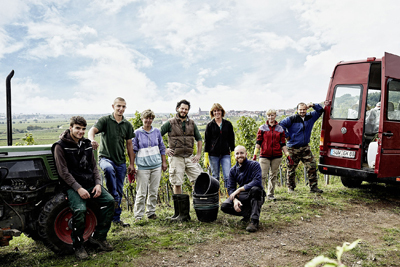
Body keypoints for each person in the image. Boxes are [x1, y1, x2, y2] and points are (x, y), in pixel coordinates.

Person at [52, 116, 114, 260]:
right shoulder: (60, 146)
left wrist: (98, 184)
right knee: (80, 210)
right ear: (71, 128)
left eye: (83, 129)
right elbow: (63, 172)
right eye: (77, 128)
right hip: (72, 186)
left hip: (90, 183)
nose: (81, 131)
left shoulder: (86, 144)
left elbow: (94, 167)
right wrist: (78, 188)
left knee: (110, 201)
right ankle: (78, 246)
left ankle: (99, 237)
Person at [88, 97, 135, 227]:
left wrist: (131, 164)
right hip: (105, 158)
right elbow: (92, 130)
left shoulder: (127, 124)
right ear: (113, 106)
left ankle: (116, 219)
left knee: (119, 191)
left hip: (120, 162)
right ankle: (109, 203)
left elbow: (130, 145)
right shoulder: (105, 120)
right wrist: (91, 140)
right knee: (108, 170)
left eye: (123, 106)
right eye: (118, 106)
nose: (121, 109)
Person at [160, 99, 202, 221]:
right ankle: (179, 213)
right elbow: (157, 136)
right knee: (176, 183)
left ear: (188, 110)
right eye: (182, 108)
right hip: (176, 157)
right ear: (177, 108)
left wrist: (198, 154)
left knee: (198, 180)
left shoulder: (192, 123)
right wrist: (165, 149)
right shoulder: (170, 123)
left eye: (186, 109)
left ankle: (198, 206)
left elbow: (199, 139)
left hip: (189, 157)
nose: (184, 111)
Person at [279, 101, 329, 193]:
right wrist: (286, 135)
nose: (302, 111)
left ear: (307, 109)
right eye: (300, 109)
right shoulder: (292, 119)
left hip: (305, 147)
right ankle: (291, 188)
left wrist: (313, 105)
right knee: (291, 168)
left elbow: (320, 110)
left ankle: (313, 187)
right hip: (293, 148)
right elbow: (280, 125)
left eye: (304, 109)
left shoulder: (310, 117)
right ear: (297, 110)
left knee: (312, 166)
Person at [132, 109, 167, 221]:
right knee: (141, 192)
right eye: (146, 118)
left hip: (156, 165)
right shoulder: (137, 133)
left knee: (153, 191)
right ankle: (138, 216)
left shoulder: (156, 132)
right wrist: (132, 165)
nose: (148, 120)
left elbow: (162, 147)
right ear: (142, 119)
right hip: (142, 166)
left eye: (151, 118)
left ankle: (151, 213)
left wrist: (164, 162)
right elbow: (133, 150)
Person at [221, 145, 265, 233]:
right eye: (237, 153)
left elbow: (257, 181)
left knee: (255, 189)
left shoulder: (254, 165)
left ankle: (254, 221)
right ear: (234, 156)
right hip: (243, 196)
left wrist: (240, 189)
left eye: (242, 153)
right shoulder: (233, 170)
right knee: (224, 206)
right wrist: (235, 200)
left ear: (246, 154)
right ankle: (247, 214)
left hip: (257, 194)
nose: (239, 155)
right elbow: (230, 188)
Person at [252, 109, 293, 200]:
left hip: (277, 156)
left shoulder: (280, 129)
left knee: (273, 175)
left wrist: (288, 156)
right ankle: (261, 194)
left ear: (275, 116)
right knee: (262, 175)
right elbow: (258, 142)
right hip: (264, 155)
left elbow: (283, 144)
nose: (271, 117)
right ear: (267, 116)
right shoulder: (262, 128)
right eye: (269, 115)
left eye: (272, 115)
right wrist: (255, 154)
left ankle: (270, 194)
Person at [204, 103, 235, 192]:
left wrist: (233, 153)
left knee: (227, 176)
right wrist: (206, 156)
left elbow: (231, 139)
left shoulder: (228, 124)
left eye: (218, 110)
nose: (217, 112)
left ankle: (229, 196)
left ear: (222, 112)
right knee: (215, 177)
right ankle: (217, 198)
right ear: (212, 113)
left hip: (225, 153)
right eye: (215, 111)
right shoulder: (209, 125)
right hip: (213, 155)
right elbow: (207, 141)